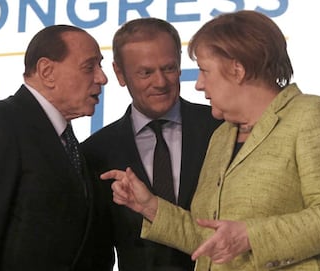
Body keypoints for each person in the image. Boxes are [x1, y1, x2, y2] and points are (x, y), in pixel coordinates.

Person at [101, 10, 320, 271]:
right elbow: (211, 240)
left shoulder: (310, 114)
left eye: (204, 71)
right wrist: (150, 207)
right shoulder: (222, 135)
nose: (199, 84)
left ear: (237, 69)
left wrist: (249, 236)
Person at [0, 25, 114, 270]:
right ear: (47, 71)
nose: (102, 78)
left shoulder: (68, 143)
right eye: (89, 67)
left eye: (100, 66)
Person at [80, 18, 222, 271]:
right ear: (120, 74)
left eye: (168, 68)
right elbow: (96, 252)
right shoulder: (95, 152)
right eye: (146, 72)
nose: (160, 82)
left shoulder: (220, 128)